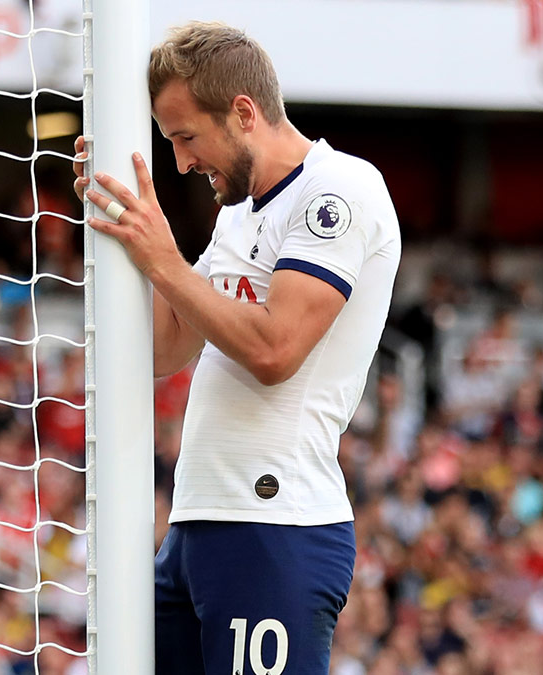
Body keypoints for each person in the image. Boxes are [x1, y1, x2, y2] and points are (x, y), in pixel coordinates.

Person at [73, 21, 401, 674]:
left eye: (186, 137)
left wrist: (164, 260)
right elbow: (168, 349)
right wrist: (122, 228)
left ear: (244, 113)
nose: (183, 163)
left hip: (273, 529)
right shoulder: (238, 212)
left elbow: (275, 349)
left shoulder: (338, 191)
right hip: (198, 526)